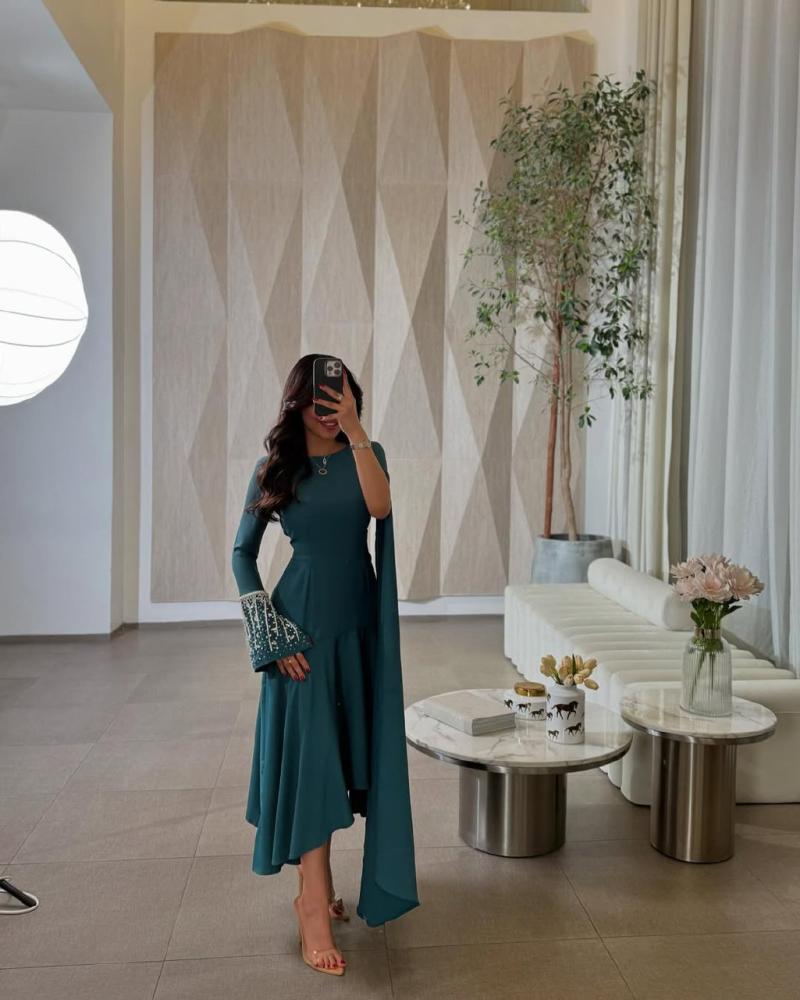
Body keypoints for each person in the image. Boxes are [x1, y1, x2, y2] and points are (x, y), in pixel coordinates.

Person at [231, 354, 419, 976]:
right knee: (315, 763)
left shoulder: (368, 453)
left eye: (341, 398)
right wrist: (272, 636)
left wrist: (357, 432)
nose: (330, 409)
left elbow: (381, 509)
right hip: (303, 632)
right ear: (297, 403)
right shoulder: (275, 468)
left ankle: (322, 882)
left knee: (340, 754)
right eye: (319, 400)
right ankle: (310, 904)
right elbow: (242, 555)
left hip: (357, 626)